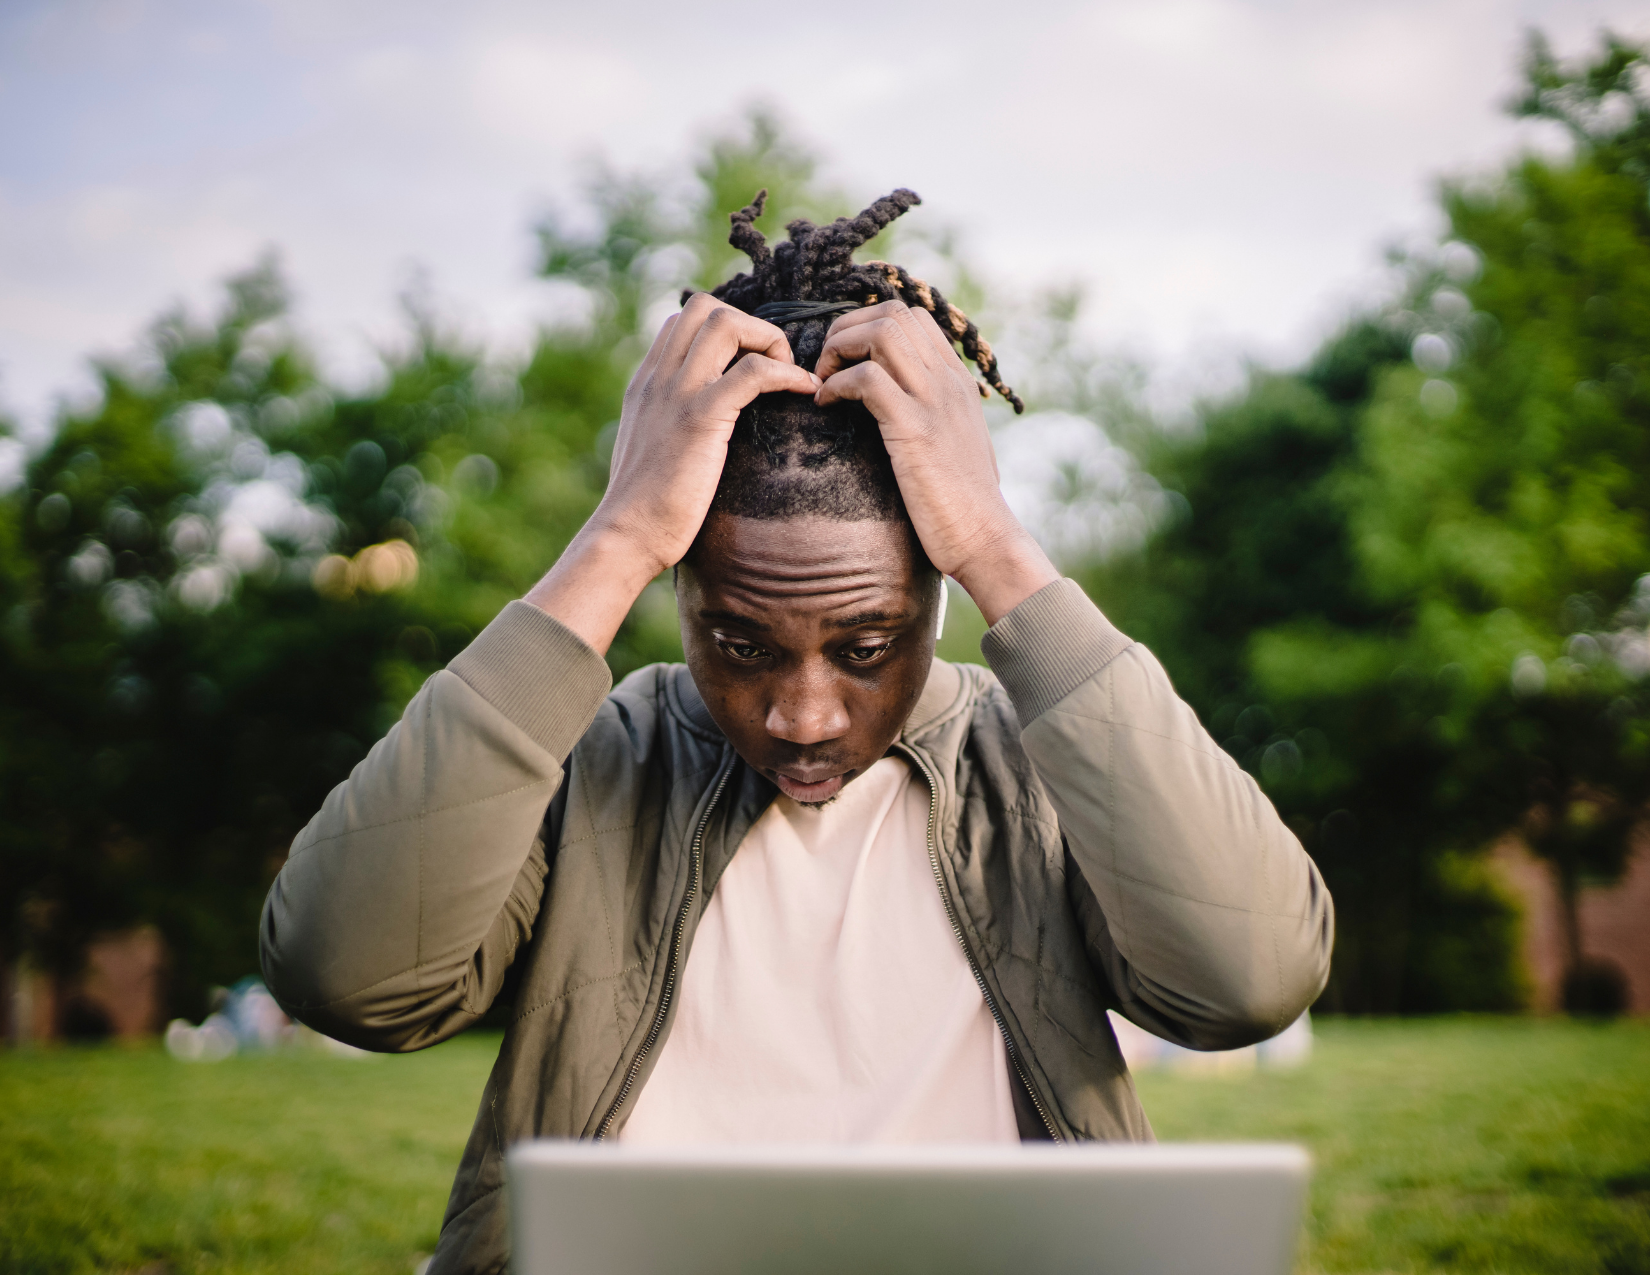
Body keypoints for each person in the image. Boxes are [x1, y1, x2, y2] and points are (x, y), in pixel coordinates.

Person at [260, 189, 1333, 1275]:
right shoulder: (591, 758)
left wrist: (1000, 544)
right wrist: (617, 533)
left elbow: (1247, 979)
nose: (803, 716)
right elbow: (346, 977)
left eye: (865, 648)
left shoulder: (1047, 763)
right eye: (741, 644)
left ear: (937, 594)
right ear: (677, 589)